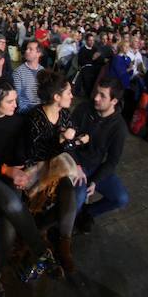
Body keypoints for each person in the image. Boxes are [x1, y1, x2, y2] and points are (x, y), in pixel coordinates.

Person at [0, 82, 57, 297]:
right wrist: (7, 170)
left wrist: (22, 173)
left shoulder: (16, 119)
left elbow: (20, 152)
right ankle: (41, 251)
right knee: (13, 205)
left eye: (16, 100)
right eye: (10, 101)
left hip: (8, 177)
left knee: (9, 226)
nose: (16, 104)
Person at [27, 70, 88, 276]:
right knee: (65, 185)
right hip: (35, 169)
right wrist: (68, 141)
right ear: (56, 97)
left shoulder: (64, 114)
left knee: (69, 187)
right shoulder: (36, 116)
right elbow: (37, 153)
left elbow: (69, 146)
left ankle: (64, 244)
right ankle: (45, 233)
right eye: (69, 92)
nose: (72, 96)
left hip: (56, 167)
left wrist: (73, 141)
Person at [71, 78, 130, 234]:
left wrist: (95, 181)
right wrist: (76, 165)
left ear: (114, 101)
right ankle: (66, 224)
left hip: (95, 166)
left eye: (102, 95)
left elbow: (112, 161)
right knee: (78, 197)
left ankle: (87, 212)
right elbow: (67, 141)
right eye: (97, 93)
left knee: (121, 198)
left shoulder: (119, 127)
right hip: (75, 162)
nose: (96, 98)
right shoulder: (84, 109)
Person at [12, 39, 43, 114]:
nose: (26, 51)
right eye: (27, 49)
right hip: (26, 110)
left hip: (40, 108)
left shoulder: (42, 70)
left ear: (39, 53)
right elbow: (17, 97)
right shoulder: (18, 72)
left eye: (30, 49)